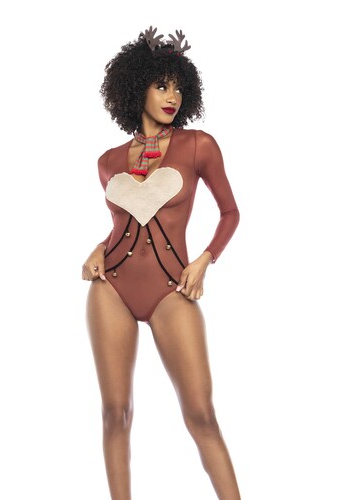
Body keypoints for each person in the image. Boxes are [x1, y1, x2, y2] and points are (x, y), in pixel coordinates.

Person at [82, 26, 241, 500]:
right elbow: (125, 224)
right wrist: (97, 248)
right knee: (115, 413)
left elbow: (231, 213)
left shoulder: (198, 146)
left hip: (173, 288)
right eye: (161, 85)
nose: (172, 96)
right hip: (111, 287)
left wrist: (205, 259)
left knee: (202, 415)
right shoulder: (108, 161)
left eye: (178, 87)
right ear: (136, 88)